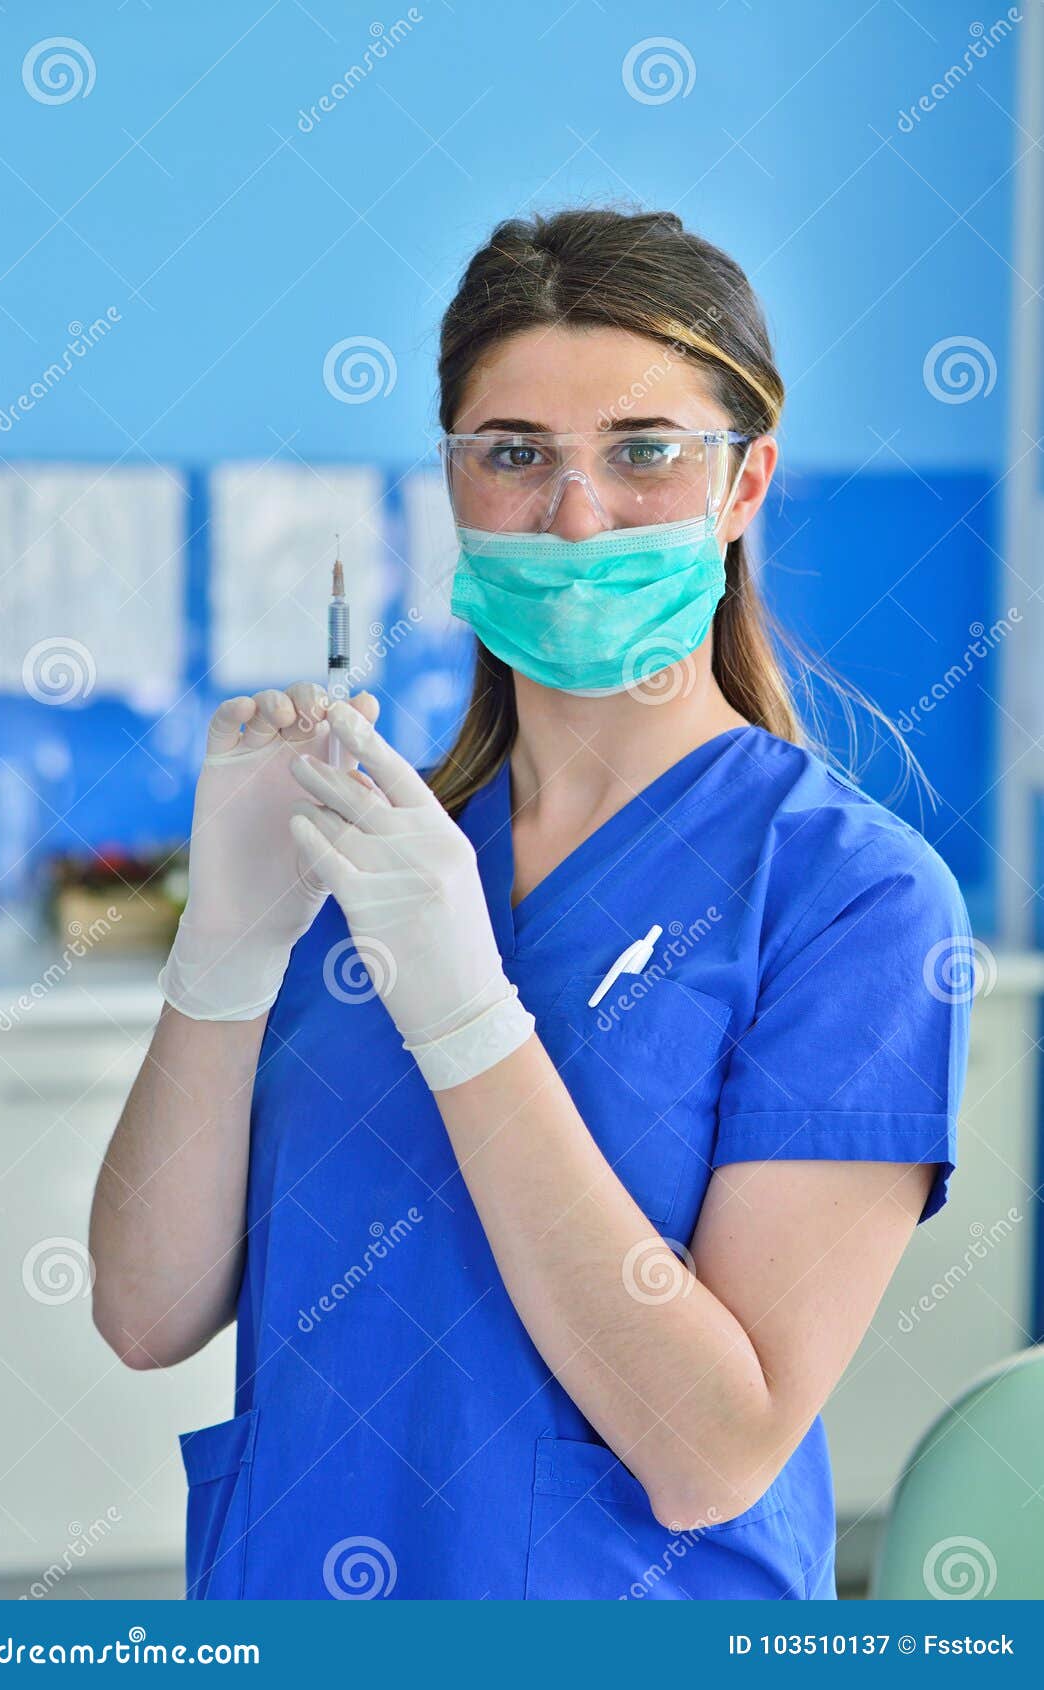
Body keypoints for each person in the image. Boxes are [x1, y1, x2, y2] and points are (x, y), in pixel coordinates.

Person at [90, 207, 971, 1601]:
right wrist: (222, 956)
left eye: (644, 450)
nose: (574, 515)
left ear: (745, 484)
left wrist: (466, 1015)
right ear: (454, 479)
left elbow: (712, 1451)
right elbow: (143, 1312)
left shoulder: (850, 900)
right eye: (514, 453)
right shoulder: (370, 861)